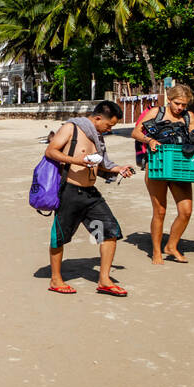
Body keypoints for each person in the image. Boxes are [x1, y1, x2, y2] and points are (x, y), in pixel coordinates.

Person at [46, 100, 136, 295]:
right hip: (69, 192)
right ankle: (56, 280)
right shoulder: (71, 128)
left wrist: (119, 169)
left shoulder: (97, 137)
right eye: (109, 125)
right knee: (60, 237)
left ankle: (104, 280)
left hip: (91, 194)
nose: (109, 129)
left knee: (110, 231)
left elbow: (101, 164)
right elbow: (51, 151)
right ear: (97, 118)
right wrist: (75, 160)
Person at [132, 83, 194, 265]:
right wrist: (150, 140)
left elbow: (193, 136)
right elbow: (135, 132)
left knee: (186, 211)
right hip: (157, 166)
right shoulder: (155, 113)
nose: (180, 108)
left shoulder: (188, 116)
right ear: (169, 99)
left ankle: (171, 245)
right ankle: (156, 252)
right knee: (160, 211)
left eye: (184, 105)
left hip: (180, 166)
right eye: (177, 103)